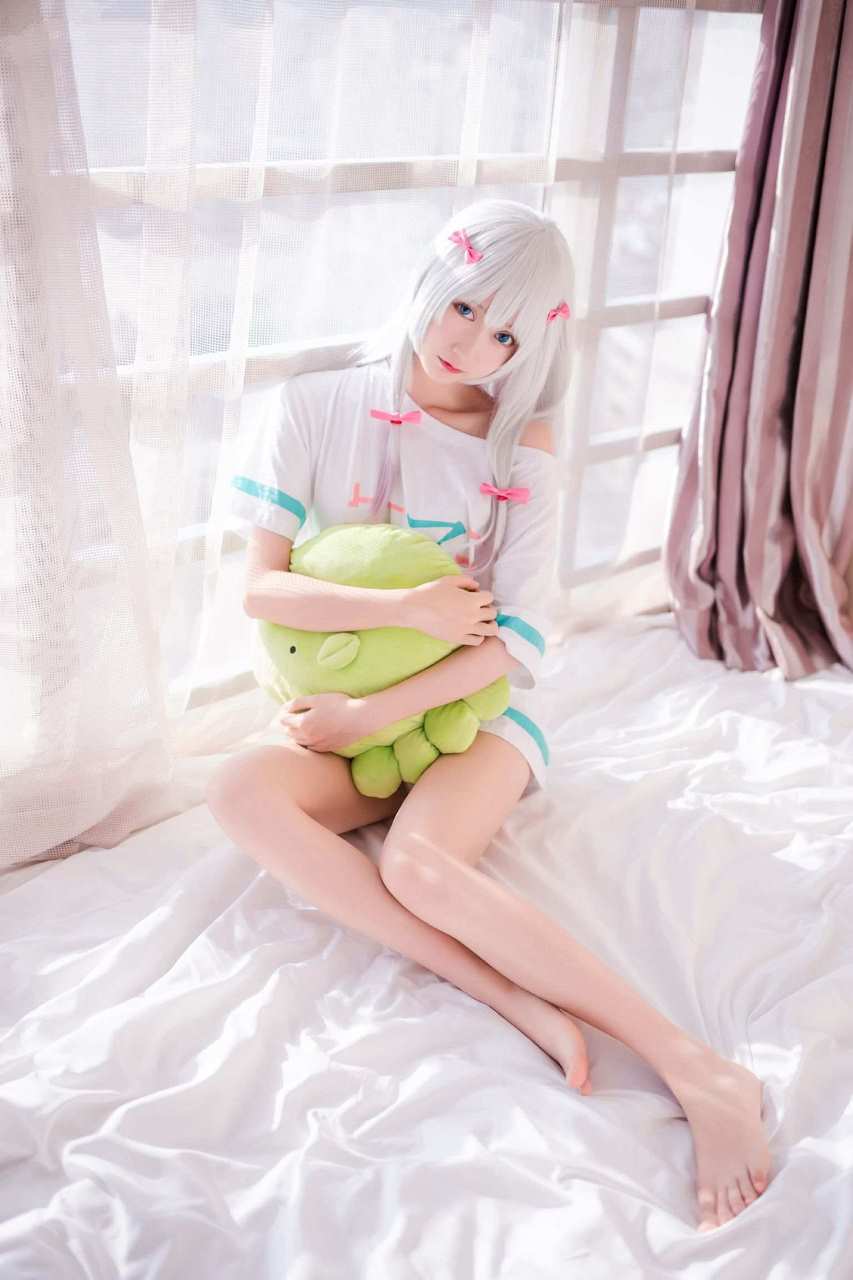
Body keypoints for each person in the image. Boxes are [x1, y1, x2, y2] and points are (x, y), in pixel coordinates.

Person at [207, 198, 771, 1233]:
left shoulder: (520, 450)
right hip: (355, 721)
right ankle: (507, 996)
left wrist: (376, 704)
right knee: (237, 787)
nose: (470, 346)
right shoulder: (314, 404)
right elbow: (260, 588)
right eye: (464, 306)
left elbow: (519, 641)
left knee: (419, 865)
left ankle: (698, 1069)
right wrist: (401, 616)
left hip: (472, 714)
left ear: (531, 347)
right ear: (433, 279)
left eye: (506, 333)